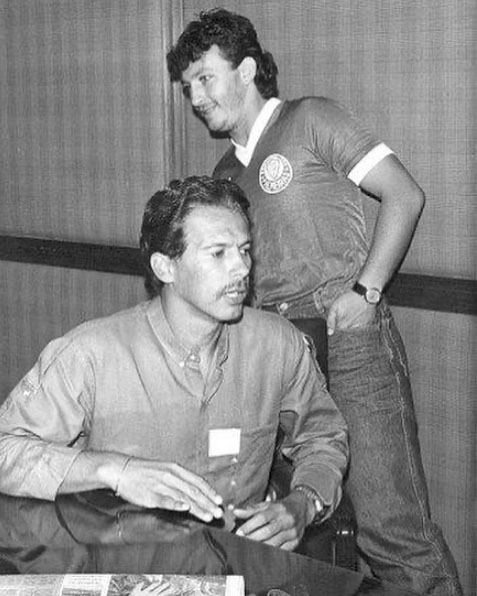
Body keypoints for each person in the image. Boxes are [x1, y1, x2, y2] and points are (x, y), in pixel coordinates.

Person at [166, 9, 463, 596]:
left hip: (352, 345)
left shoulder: (310, 118)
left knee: (391, 529)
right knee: (307, 527)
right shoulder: (226, 172)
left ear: (246, 69)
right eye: (188, 87)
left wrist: (365, 290)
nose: (195, 97)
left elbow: (405, 194)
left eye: (205, 78)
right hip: (280, 356)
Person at [0, 175, 348, 552]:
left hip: (236, 561)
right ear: (166, 268)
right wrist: (113, 469)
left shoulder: (277, 344)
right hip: (122, 561)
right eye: (218, 253)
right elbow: (5, 451)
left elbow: (322, 438)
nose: (242, 269)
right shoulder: (90, 354)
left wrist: (303, 503)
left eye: (244, 250)